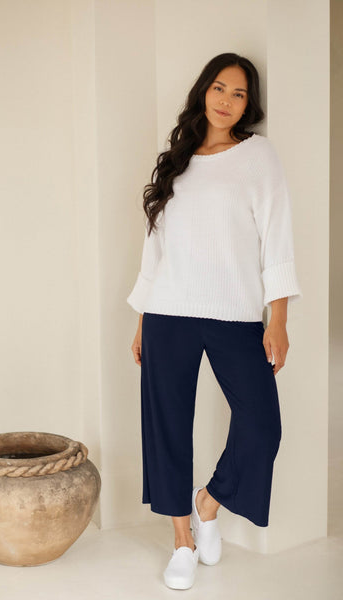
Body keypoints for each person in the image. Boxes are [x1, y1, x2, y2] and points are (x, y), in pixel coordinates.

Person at [126, 52, 302, 590]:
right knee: (167, 427)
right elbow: (155, 249)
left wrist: (278, 318)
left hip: (235, 315)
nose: (226, 100)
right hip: (168, 313)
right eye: (219, 88)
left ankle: (208, 502)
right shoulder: (175, 161)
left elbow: (276, 238)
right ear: (204, 91)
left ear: (249, 105)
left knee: (262, 423)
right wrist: (142, 319)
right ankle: (182, 540)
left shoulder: (257, 155)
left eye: (239, 93)